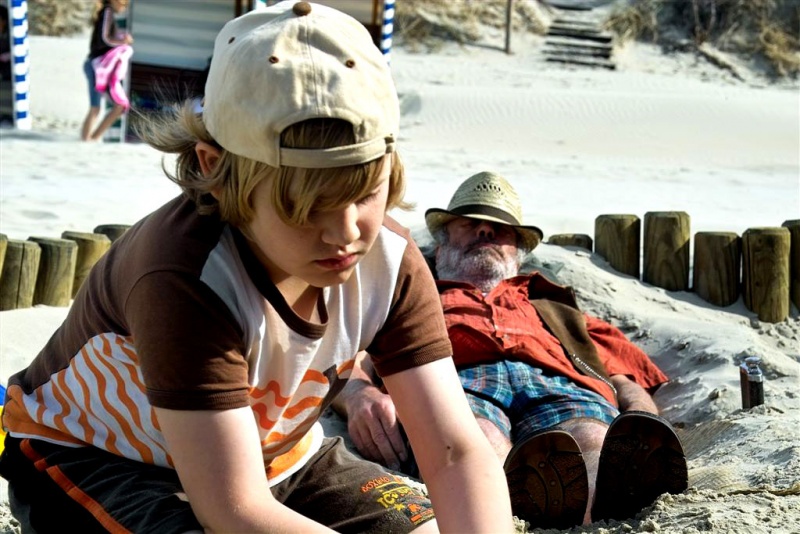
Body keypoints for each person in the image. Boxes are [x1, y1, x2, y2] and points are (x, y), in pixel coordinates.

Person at [0, 3, 514, 533]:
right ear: (215, 167)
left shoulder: (388, 260)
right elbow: (234, 509)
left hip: (277, 458)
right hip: (96, 457)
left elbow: (455, 451)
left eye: (364, 192)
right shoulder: (186, 276)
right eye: (306, 206)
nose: (345, 232)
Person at [333, 171, 689, 529]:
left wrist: (642, 421)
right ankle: (509, 513)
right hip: (455, 378)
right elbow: (348, 352)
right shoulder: (415, 296)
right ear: (440, 248)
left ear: (517, 255)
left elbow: (621, 375)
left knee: (592, 438)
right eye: (470, 224)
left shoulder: (556, 307)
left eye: (500, 229)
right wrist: (359, 394)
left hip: (560, 382)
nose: (485, 231)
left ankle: (592, 507)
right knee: (478, 438)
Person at [80, 0, 133, 142]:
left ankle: (91, 139)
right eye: (124, 4)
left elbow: (106, 37)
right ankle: (86, 141)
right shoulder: (107, 11)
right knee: (96, 107)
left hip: (101, 68)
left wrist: (121, 37)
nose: (125, 7)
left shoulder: (107, 13)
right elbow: (105, 39)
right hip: (97, 67)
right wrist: (123, 42)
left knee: (117, 106)